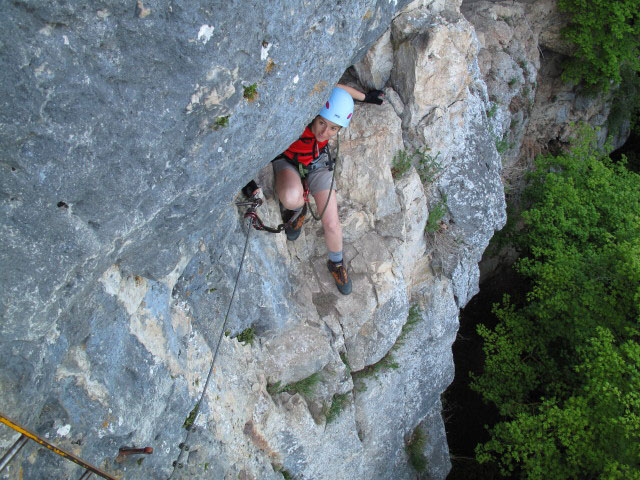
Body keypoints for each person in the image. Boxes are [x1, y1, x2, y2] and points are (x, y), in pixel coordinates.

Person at [245, 84, 384, 295]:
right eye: (321, 123)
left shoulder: (329, 125)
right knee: (293, 199)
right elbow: (329, 85)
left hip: (318, 163)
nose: (324, 132)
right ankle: (298, 210)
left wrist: (365, 98)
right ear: (315, 115)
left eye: (333, 128)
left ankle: (336, 264)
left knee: (332, 224)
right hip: (288, 161)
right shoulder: (300, 120)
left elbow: (340, 91)